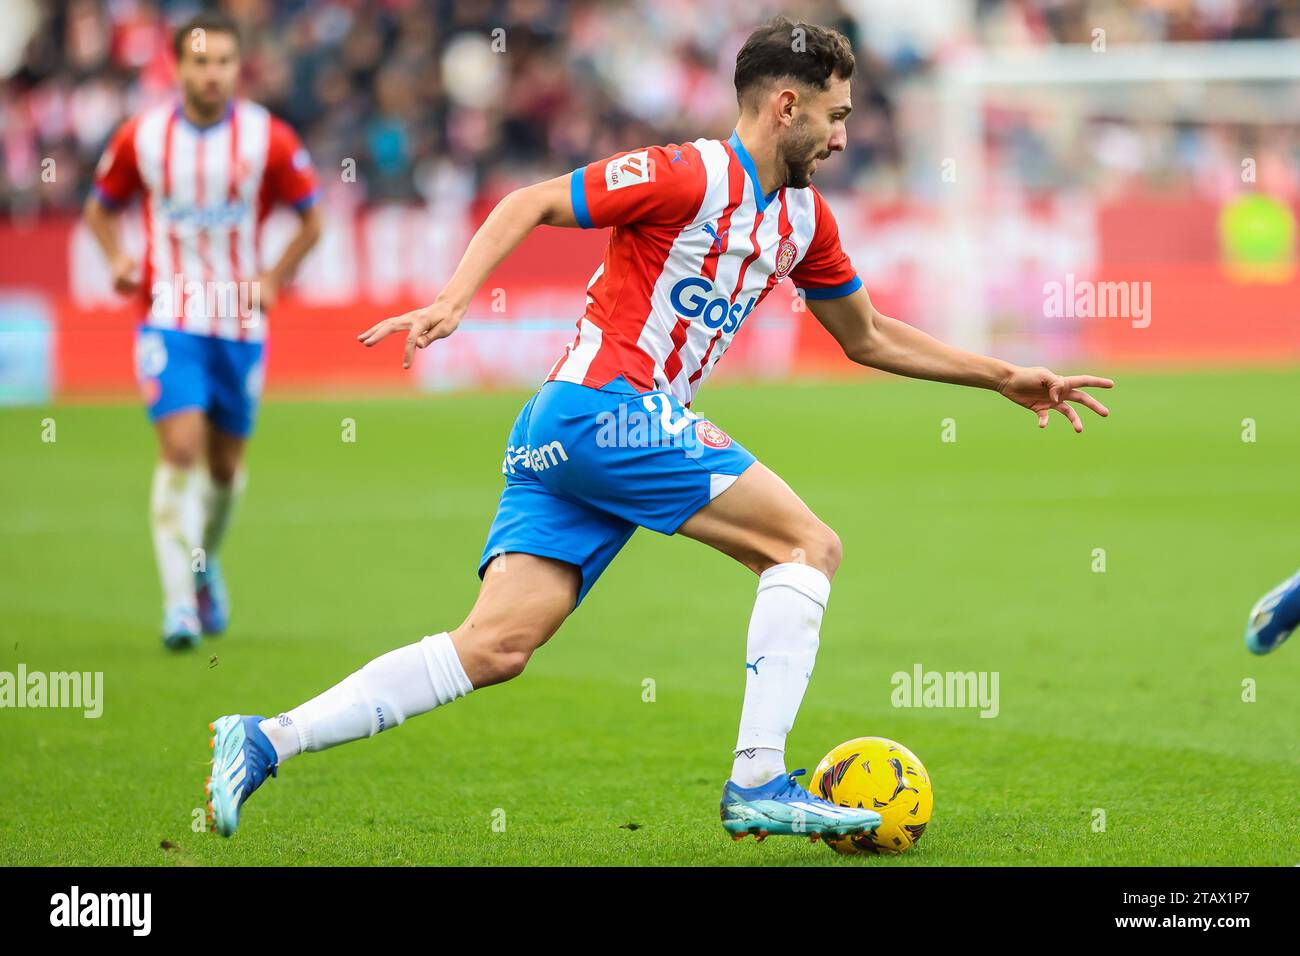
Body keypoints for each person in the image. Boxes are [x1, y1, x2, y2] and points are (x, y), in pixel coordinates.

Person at [205, 17, 1112, 843]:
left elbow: (866, 335)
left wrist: (1003, 376)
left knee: (495, 646)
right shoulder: (687, 172)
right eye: (833, 116)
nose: (844, 136)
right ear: (784, 105)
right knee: (807, 546)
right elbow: (530, 201)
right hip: (610, 411)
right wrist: (452, 301)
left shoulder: (802, 218)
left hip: (562, 435)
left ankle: (265, 738)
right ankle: (757, 779)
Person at [84, 11, 322, 649]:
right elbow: (99, 208)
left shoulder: (267, 138)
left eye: (223, 61)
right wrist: (116, 259)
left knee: (225, 471)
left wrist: (274, 276)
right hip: (170, 317)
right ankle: (178, 605)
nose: (212, 73)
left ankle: (204, 563)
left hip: (241, 320)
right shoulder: (143, 137)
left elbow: (313, 219)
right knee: (180, 452)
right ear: (177, 67)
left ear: (237, 68)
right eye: (200, 62)